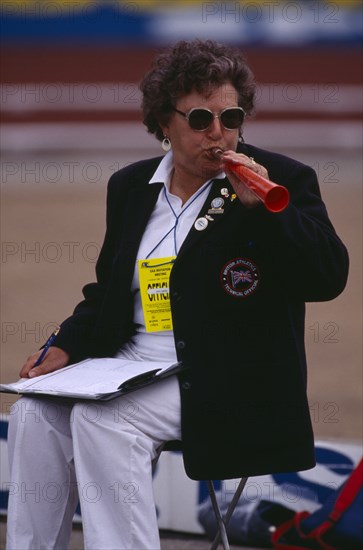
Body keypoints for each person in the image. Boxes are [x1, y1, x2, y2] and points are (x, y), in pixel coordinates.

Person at [6, 39, 349, 550]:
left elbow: (327, 278)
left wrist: (270, 214)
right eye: (199, 119)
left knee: (103, 419)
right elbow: (107, 292)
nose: (218, 133)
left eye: (230, 117)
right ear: (163, 122)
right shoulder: (130, 187)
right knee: (34, 412)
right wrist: (66, 342)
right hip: (128, 366)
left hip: (229, 377)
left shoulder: (282, 180)